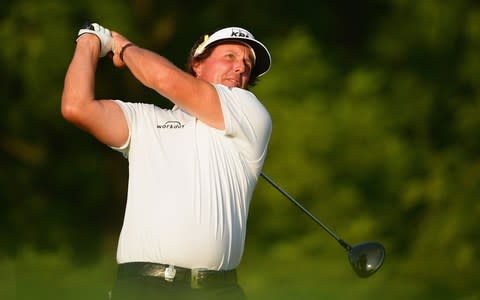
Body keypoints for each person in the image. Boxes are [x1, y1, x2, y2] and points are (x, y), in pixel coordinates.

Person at [61, 22, 272, 299]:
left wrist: (120, 46)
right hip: (141, 287)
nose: (241, 67)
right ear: (197, 63)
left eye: (247, 63)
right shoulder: (147, 120)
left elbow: (164, 80)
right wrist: (89, 41)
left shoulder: (249, 112)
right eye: (230, 56)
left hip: (216, 290)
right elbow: (77, 106)